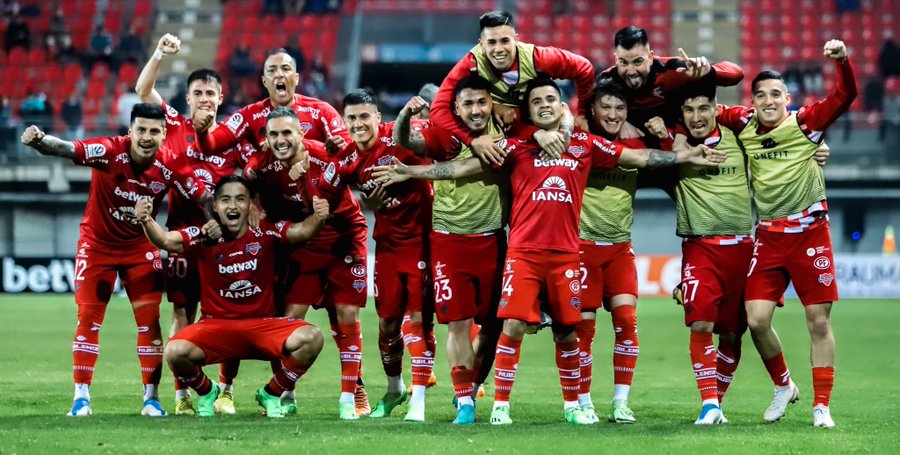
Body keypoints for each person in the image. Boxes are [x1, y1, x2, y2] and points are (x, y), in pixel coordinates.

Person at [376, 75, 724, 425]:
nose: (544, 105)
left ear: (562, 107)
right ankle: (499, 406)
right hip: (522, 255)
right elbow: (464, 167)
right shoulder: (515, 147)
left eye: (551, 100)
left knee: (568, 331)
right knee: (511, 326)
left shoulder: (586, 145)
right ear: (530, 111)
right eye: (537, 101)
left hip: (566, 256)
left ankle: (573, 406)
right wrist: (412, 172)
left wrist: (684, 154)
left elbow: (639, 157)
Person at [19, 103, 211, 417]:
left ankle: (151, 399)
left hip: (140, 248)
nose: (147, 136)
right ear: (130, 131)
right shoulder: (109, 151)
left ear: (164, 134)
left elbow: (205, 196)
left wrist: (228, 213)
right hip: (97, 248)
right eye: (141, 130)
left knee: (149, 324)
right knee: (89, 321)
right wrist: (40, 141)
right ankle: (81, 399)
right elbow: (66, 149)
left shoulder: (171, 166)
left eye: (154, 131)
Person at [735, 40, 857, 429]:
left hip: (810, 234)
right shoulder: (745, 127)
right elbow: (707, 113)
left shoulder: (806, 124)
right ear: (751, 102)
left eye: (775, 94)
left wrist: (842, 62)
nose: (767, 101)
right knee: (755, 320)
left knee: (818, 322)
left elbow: (846, 95)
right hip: (769, 236)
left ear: (787, 98)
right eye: (760, 96)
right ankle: (784, 385)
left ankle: (821, 405)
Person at [136, 175, 328, 418]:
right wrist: (146, 220)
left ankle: (271, 392)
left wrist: (319, 217)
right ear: (215, 206)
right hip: (215, 327)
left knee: (312, 338)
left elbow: (301, 232)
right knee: (174, 352)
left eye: (240, 199)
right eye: (225, 200)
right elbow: (165, 240)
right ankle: (207, 391)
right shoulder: (204, 236)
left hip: (262, 326)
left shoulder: (265, 232)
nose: (233, 206)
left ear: (250, 205)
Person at [134, 33, 248, 415]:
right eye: (197, 92)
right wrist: (159, 55)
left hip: (225, 243)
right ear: (188, 99)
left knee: (228, 315)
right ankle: (183, 394)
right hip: (182, 236)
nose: (204, 98)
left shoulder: (232, 136)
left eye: (210, 92)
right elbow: (142, 88)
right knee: (183, 313)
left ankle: (226, 391)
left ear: (220, 97)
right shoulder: (172, 123)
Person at [392, 75, 511, 425]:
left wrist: (414, 173)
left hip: (492, 239)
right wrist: (403, 116)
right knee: (457, 325)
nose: (476, 110)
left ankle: (471, 388)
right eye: (468, 103)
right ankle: (465, 402)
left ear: (491, 103)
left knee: (492, 327)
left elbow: (463, 167)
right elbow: (407, 140)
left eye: (481, 102)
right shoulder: (442, 132)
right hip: (448, 241)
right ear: (456, 107)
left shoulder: (502, 132)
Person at [243, 106, 370, 420]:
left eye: (287, 132)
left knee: (345, 315)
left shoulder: (322, 155)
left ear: (301, 133)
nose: (281, 139)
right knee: (289, 320)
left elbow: (359, 175)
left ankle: (351, 393)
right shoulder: (262, 164)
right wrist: (253, 201)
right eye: (273, 134)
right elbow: (247, 179)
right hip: (304, 243)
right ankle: (285, 394)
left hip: (343, 236)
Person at [330, 89, 435, 421]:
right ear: (344, 122)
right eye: (352, 118)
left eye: (365, 116)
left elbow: (443, 139)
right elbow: (326, 191)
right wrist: (364, 204)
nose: (359, 123)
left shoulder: (402, 138)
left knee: (418, 323)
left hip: (423, 243)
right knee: (388, 325)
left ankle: (418, 400)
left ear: (378, 118)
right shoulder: (347, 159)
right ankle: (395, 388)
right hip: (387, 248)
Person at [573, 78, 673, 424]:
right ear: (593, 110)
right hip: (582, 247)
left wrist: (661, 136)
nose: (613, 114)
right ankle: (583, 400)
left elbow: (667, 159)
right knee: (584, 329)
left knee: (627, 321)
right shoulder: (579, 142)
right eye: (606, 107)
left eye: (620, 108)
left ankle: (620, 402)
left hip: (619, 248)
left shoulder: (636, 144)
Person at [430, 11, 595, 163]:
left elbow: (585, 68)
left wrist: (582, 113)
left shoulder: (540, 58)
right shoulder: (471, 64)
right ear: (481, 44)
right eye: (491, 42)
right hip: (511, 131)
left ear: (516, 39)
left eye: (505, 41)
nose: (498, 49)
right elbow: (438, 108)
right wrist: (472, 140)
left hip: (542, 120)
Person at [193, 48, 350, 156]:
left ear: (296, 79)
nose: (279, 75)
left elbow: (349, 148)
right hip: (272, 202)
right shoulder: (249, 115)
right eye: (272, 70)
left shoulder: (322, 111)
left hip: (317, 200)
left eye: (285, 69)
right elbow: (211, 145)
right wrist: (202, 132)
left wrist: (336, 149)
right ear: (264, 81)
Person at [601, 26, 744, 132]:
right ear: (615, 59)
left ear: (650, 57)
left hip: (675, 144)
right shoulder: (606, 81)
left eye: (638, 62)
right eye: (624, 62)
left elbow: (736, 74)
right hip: (631, 147)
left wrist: (709, 71)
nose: (631, 71)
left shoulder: (672, 70)